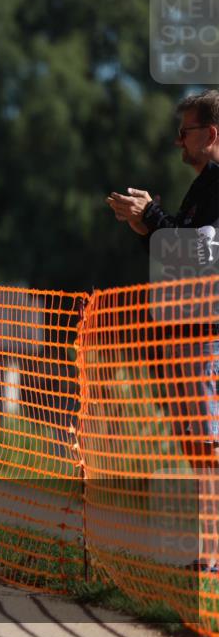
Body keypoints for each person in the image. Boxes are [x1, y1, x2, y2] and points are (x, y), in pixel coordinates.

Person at [107, 89, 219, 570]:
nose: (178, 142)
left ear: (211, 134)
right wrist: (148, 225)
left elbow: (206, 250)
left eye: (186, 131)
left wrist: (152, 218)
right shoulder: (207, 183)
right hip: (189, 335)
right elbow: (187, 244)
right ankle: (212, 554)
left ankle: (214, 556)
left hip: (206, 336)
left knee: (208, 448)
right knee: (200, 449)